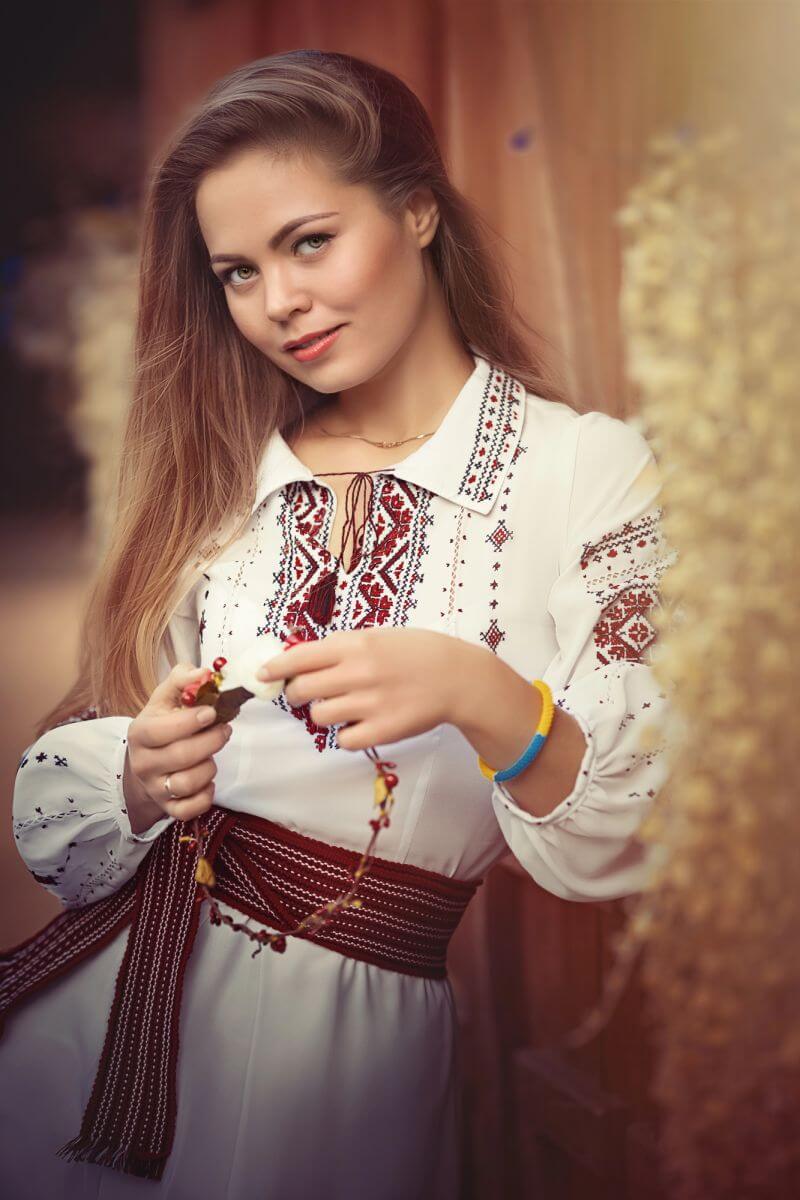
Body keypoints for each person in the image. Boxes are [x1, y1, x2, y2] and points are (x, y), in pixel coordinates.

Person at [0, 49, 677, 1200]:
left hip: (346, 1048)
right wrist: (140, 771)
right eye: (238, 272)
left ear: (415, 210)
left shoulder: (583, 471)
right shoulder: (212, 477)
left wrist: (477, 691)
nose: (279, 302)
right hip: (104, 1020)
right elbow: (62, 820)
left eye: (308, 242)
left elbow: (632, 827)